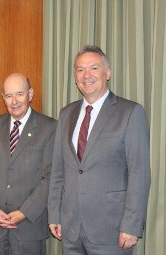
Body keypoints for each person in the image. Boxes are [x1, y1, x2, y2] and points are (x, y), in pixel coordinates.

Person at [48, 46, 151, 255]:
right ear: (75, 77)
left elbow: (139, 173)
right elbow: (58, 170)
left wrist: (131, 225)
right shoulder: (66, 114)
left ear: (108, 73)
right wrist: (55, 215)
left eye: (94, 68)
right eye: (80, 70)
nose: (86, 75)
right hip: (71, 229)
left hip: (111, 230)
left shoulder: (130, 112)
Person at [0, 73, 57, 255]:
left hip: (29, 228)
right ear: (3, 97)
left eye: (19, 94)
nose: (14, 101)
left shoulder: (48, 128)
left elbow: (50, 177)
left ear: (31, 94)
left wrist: (24, 213)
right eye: (9, 95)